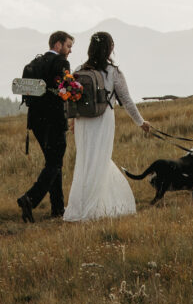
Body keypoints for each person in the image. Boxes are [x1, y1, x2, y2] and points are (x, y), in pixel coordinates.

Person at [64, 31, 151, 222]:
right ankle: (95, 207)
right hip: (103, 119)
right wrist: (140, 122)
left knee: (85, 161)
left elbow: (71, 98)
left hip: (82, 122)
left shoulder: (79, 69)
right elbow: (126, 100)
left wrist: (72, 120)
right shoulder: (113, 72)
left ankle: (80, 206)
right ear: (109, 48)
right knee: (100, 160)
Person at [17, 30, 73, 223]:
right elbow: (67, 90)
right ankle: (30, 199)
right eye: (68, 46)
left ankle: (57, 208)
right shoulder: (61, 63)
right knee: (55, 162)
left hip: (36, 121)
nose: (70, 51)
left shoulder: (36, 63)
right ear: (57, 45)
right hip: (55, 120)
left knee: (52, 162)